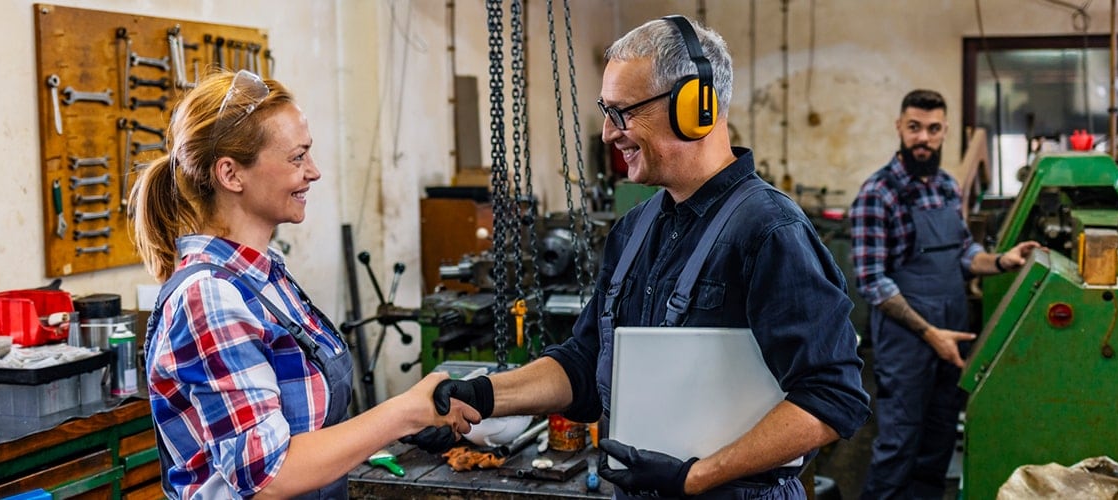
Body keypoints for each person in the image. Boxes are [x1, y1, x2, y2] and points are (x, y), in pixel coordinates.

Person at [403, 16, 870, 499]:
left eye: (622, 112)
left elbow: (831, 398)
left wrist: (695, 476)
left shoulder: (769, 231)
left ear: (696, 107)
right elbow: (585, 362)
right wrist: (480, 396)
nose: (608, 134)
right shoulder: (637, 226)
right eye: (607, 112)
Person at [130, 69, 480, 499]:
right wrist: (404, 413)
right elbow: (268, 475)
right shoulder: (211, 296)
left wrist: (405, 427)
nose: (312, 172)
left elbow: (305, 427)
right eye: (297, 158)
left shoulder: (264, 276)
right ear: (231, 174)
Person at [850, 89, 1041, 499]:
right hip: (908, 343)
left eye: (933, 129)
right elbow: (871, 281)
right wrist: (929, 333)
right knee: (898, 446)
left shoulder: (947, 187)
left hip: (951, 337)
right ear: (899, 127)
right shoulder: (877, 194)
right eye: (915, 127)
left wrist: (1003, 260)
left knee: (937, 446)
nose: (924, 138)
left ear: (945, 131)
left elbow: (962, 254)